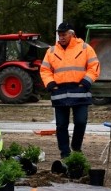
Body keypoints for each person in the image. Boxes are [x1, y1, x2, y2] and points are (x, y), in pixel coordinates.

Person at [39, 21, 101, 159]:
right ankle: (65, 154)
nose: (61, 37)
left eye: (64, 34)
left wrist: (86, 82)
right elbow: (44, 70)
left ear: (71, 34)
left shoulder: (85, 48)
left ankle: (76, 147)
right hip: (59, 93)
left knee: (80, 122)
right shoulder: (51, 51)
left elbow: (94, 66)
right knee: (61, 125)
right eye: (59, 35)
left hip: (80, 91)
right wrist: (51, 85)